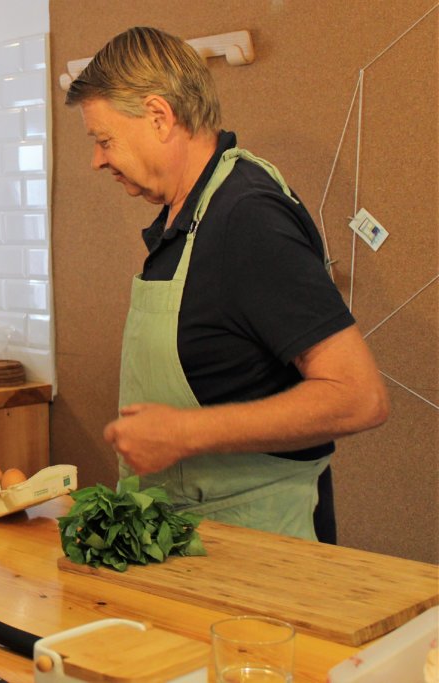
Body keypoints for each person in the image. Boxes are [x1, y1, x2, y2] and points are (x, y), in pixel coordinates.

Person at [66, 27, 389, 540]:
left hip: (264, 551)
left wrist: (185, 433)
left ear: (159, 116)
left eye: (104, 140)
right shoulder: (187, 216)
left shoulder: (246, 216)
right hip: (190, 537)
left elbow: (359, 396)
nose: (97, 160)